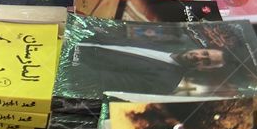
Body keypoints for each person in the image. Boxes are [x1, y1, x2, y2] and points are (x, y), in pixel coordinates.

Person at [74, 43, 225, 94]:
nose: (199, 57)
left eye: (206, 62)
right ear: (201, 48)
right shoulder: (164, 44)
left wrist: (72, 65)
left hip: (72, 63)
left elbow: (105, 81)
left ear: (204, 69)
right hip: (78, 41)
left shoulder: (165, 83)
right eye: (204, 53)